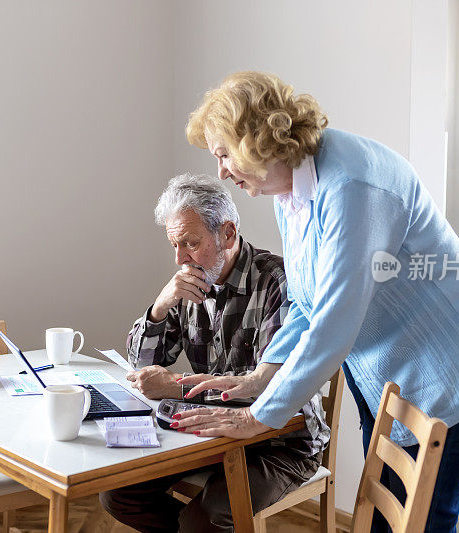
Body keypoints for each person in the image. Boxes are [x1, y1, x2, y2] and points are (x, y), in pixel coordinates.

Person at [173, 71, 459, 532]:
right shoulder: (289, 190)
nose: (222, 172)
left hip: (445, 361)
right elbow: (306, 304)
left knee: (423, 519)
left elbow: (335, 320)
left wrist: (259, 418)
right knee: (384, 516)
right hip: (387, 366)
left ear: (256, 141)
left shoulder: (352, 185)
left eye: (224, 154)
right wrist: (261, 378)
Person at [99, 173, 329, 533]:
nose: (180, 258)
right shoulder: (192, 282)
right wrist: (160, 306)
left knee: (203, 520)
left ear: (227, 233)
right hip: (212, 431)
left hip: (280, 439)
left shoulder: (278, 282)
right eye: (174, 245)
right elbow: (141, 363)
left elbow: (267, 388)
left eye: (190, 243)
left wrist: (178, 388)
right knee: (119, 493)